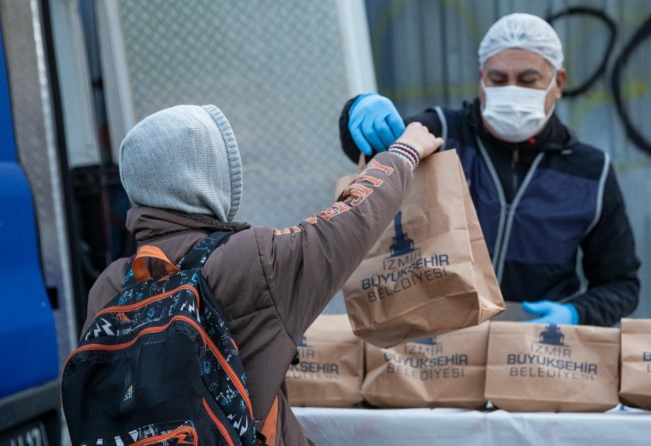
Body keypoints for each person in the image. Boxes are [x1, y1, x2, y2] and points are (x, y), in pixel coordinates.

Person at [82, 104, 443, 445]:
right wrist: (405, 152)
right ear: (209, 176)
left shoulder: (110, 285)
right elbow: (352, 220)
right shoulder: (250, 260)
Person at [339, 13, 640, 327]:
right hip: (435, 342)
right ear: (481, 78)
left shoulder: (591, 172)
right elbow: (370, 150)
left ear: (558, 82)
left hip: (535, 351)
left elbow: (621, 284)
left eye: (527, 80)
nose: (511, 90)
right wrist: (357, 112)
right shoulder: (441, 134)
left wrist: (576, 313)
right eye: (497, 80)